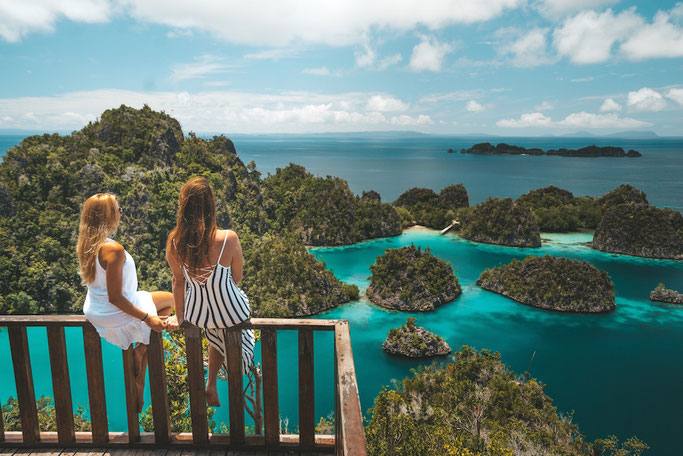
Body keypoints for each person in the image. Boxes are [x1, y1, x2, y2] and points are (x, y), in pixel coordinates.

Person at [77, 193, 173, 413]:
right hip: (115, 309)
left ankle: (141, 349)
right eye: (118, 209)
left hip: (96, 310)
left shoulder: (89, 245)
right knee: (171, 301)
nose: (121, 213)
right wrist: (147, 318)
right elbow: (116, 297)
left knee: (165, 301)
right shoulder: (114, 250)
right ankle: (141, 357)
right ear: (109, 215)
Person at [165, 177, 254, 407]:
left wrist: (181, 315)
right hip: (231, 313)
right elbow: (237, 278)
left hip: (199, 315)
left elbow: (178, 282)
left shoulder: (175, 242)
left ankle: (211, 383)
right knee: (233, 328)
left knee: (214, 331)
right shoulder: (228, 238)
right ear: (210, 207)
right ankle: (234, 376)